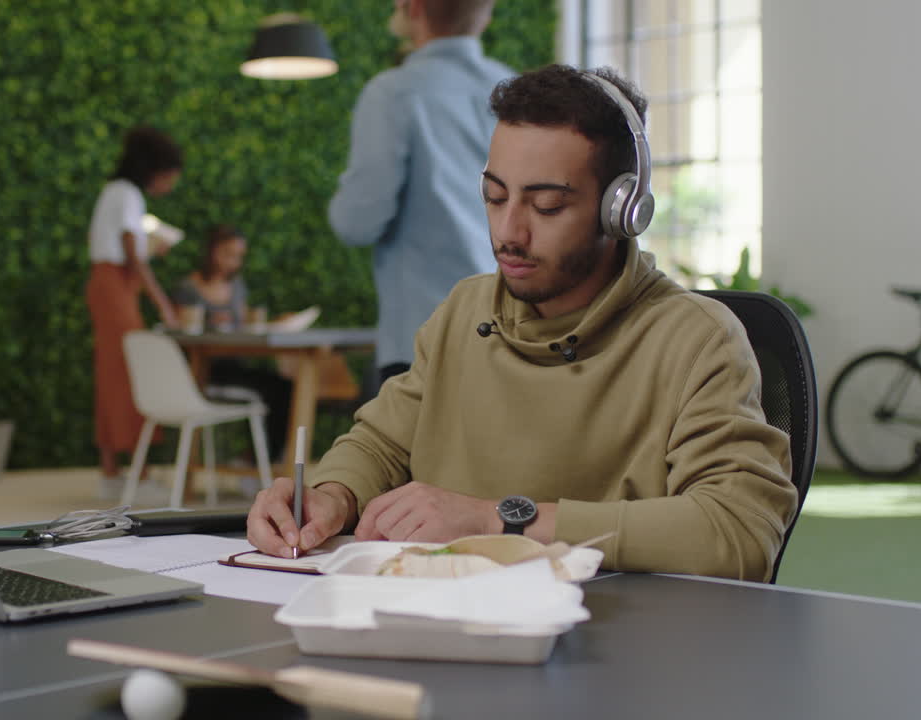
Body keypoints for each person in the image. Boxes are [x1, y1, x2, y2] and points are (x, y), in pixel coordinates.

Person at [248, 64, 798, 582]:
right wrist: (332, 494)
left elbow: (739, 530)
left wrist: (498, 520)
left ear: (622, 209)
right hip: (444, 627)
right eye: (494, 196)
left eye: (547, 206)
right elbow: (382, 445)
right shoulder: (465, 312)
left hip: (610, 650)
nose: (509, 231)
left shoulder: (697, 339)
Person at [327, 0, 513, 389]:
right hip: (514, 328)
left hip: (425, 333)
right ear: (486, 14)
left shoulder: (393, 93)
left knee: (406, 450)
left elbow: (358, 222)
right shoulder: (516, 93)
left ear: (412, 8)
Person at [87, 126, 182, 496]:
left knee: (113, 373)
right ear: (156, 170)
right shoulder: (128, 195)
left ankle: (111, 472)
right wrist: (163, 304)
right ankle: (137, 478)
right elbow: (131, 253)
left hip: (108, 283)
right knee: (129, 374)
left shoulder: (114, 193)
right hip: (115, 286)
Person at [172, 224, 292, 460]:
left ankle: (263, 460)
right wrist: (211, 323)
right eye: (229, 254)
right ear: (213, 251)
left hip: (236, 364)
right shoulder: (188, 288)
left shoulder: (237, 287)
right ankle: (255, 462)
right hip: (203, 370)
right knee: (274, 389)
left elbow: (245, 324)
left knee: (283, 387)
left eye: (239, 256)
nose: (234, 262)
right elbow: (181, 331)